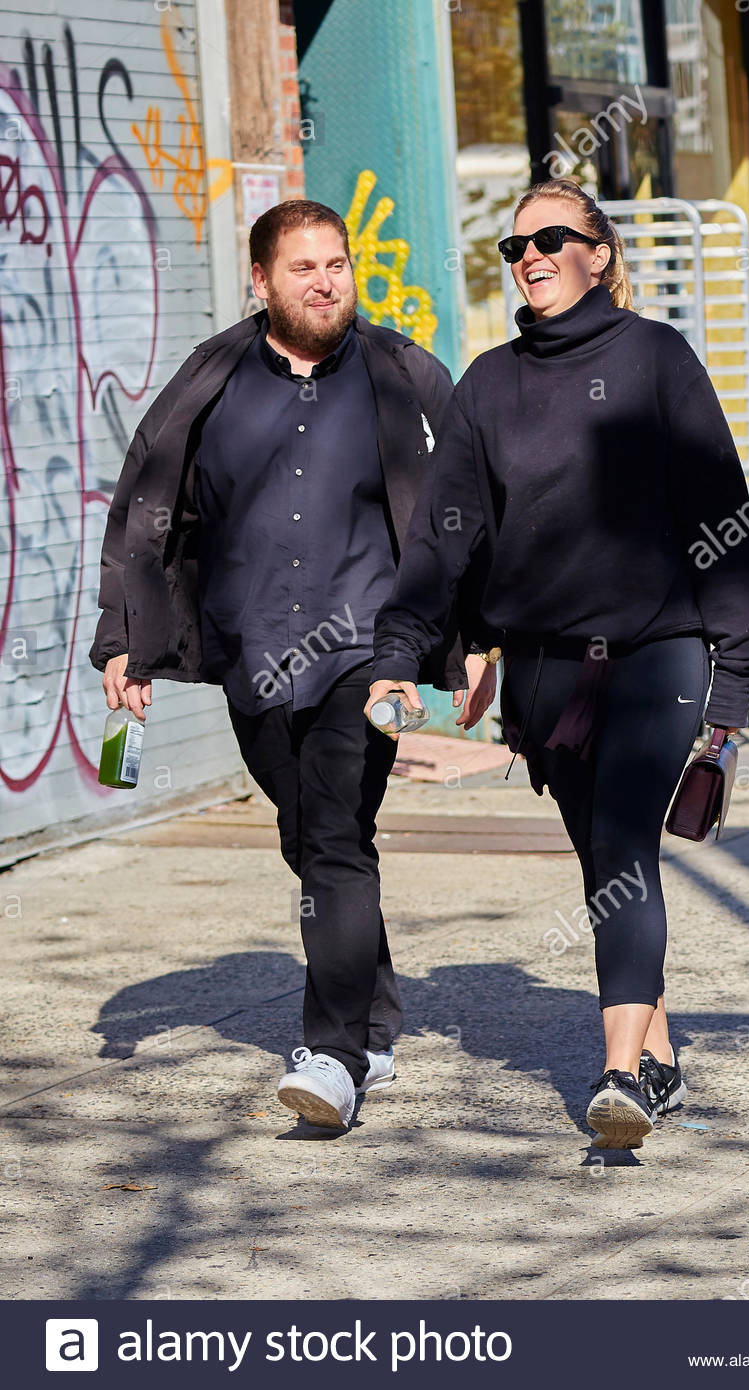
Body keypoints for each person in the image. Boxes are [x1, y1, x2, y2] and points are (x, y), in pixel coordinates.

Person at [366, 178, 749, 1150]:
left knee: (624, 847)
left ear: (599, 251)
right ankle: (661, 1059)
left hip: (655, 654)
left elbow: (718, 518)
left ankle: (618, 1076)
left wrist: (733, 674)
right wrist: (414, 651)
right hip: (544, 673)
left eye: (550, 238)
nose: (530, 257)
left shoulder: (655, 360)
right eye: (513, 248)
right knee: (605, 861)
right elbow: (443, 539)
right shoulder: (488, 385)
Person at [90, 199, 491, 1131]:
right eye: (303, 267)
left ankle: (334, 1053)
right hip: (255, 653)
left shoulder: (403, 376)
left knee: (338, 836)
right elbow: (145, 504)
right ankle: (379, 1017)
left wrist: (473, 638)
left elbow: (464, 515)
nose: (325, 281)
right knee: (308, 838)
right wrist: (125, 639)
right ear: (261, 282)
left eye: (338, 265)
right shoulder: (212, 379)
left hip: (369, 654)